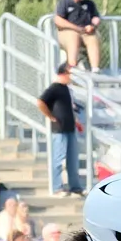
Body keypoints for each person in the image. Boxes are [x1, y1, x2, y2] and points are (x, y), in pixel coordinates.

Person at [37, 63, 84, 197]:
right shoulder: (55, 88)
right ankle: (57, 187)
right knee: (58, 158)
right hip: (59, 129)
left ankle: (75, 187)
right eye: (70, 74)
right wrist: (51, 117)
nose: (71, 77)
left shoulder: (67, 89)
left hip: (70, 128)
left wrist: (76, 121)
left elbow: (68, 107)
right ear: (63, 73)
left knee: (72, 159)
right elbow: (41, 102)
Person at [54, 0, 102, 72]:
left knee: (92, 37)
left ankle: (95, 68)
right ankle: (72, 67)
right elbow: (58, 20)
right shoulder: (64, 2)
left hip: (85, 31)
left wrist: (93, 26)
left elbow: (96, 18)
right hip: (67, 31)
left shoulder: (89, 4)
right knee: (73, 37)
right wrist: (76, 28)